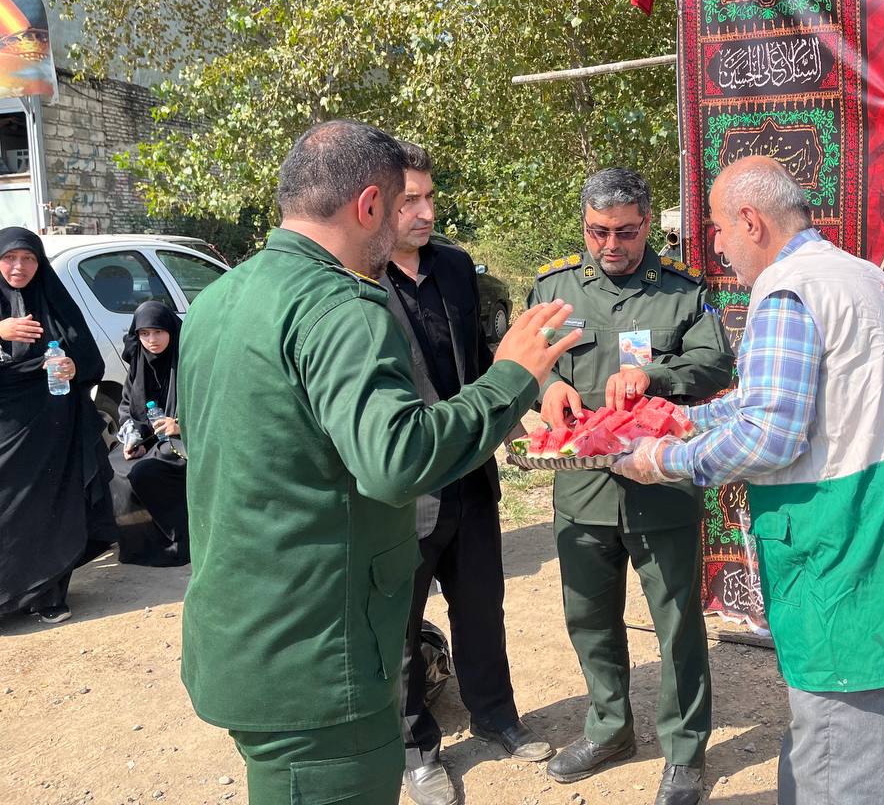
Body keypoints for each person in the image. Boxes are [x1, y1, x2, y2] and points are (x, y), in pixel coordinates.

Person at [178, 120, 582, 805]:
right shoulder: (340, 307)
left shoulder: (221, 298)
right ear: (369, 205)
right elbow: (394, 461)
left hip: (247, 641)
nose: (408, 223)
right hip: (319, 662)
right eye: (399, 205)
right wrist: (510, 379)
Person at [615, 156, 884, 805]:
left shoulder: (787, 292)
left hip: (858, 584)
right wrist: (688, 419)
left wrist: (659, 460)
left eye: (720, 230)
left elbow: (769, 436)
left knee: (836, 779)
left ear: (750, 221)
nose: (717, 247)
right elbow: (777, 401)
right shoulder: (863, 277)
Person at [528, 168, 733, 805]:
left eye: (624, 231)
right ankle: (610, 727)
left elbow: (717, 361)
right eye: (597, 231)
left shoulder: (681, 292)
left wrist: (657, 377)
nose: (609, 244)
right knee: (589, 616)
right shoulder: (556, 286)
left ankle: (684, 752)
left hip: (660, 485)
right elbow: (526, 355)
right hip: (583, 486)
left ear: (648, 225)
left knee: (675, 625)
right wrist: (546, 384)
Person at [381, 142, 551, 805]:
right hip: (405, 485)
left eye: (429, 197)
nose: (426, 212)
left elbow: (481, 360)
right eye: (410, 202)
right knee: (400, 622)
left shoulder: (453, 267)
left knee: (482, 604)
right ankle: (416, 748)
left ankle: (496, 714)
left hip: (470, 471)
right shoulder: (357, 280)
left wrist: (513, 420)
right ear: (376, 205)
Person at [0, 227, 115, 624]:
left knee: (52, 509)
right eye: (10, 258)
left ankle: (50, 595)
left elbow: (90, 356)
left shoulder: (53, 298)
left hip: (52, 430)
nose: (20, 266)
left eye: (28, 258)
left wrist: (72, 365)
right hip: (5, 431)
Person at [110, 300, 189, 567]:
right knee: (114, 466)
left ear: (171, 331)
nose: (152, 340)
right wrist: (133, 437)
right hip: (152, 439)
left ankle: (178, 542)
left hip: (185, 441)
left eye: (158, 332)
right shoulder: (139, 362)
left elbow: (210, 404)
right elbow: (127, 406)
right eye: (144, 334)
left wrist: (180, 424)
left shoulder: (187, 361)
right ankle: (140, 544)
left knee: (148, 471)